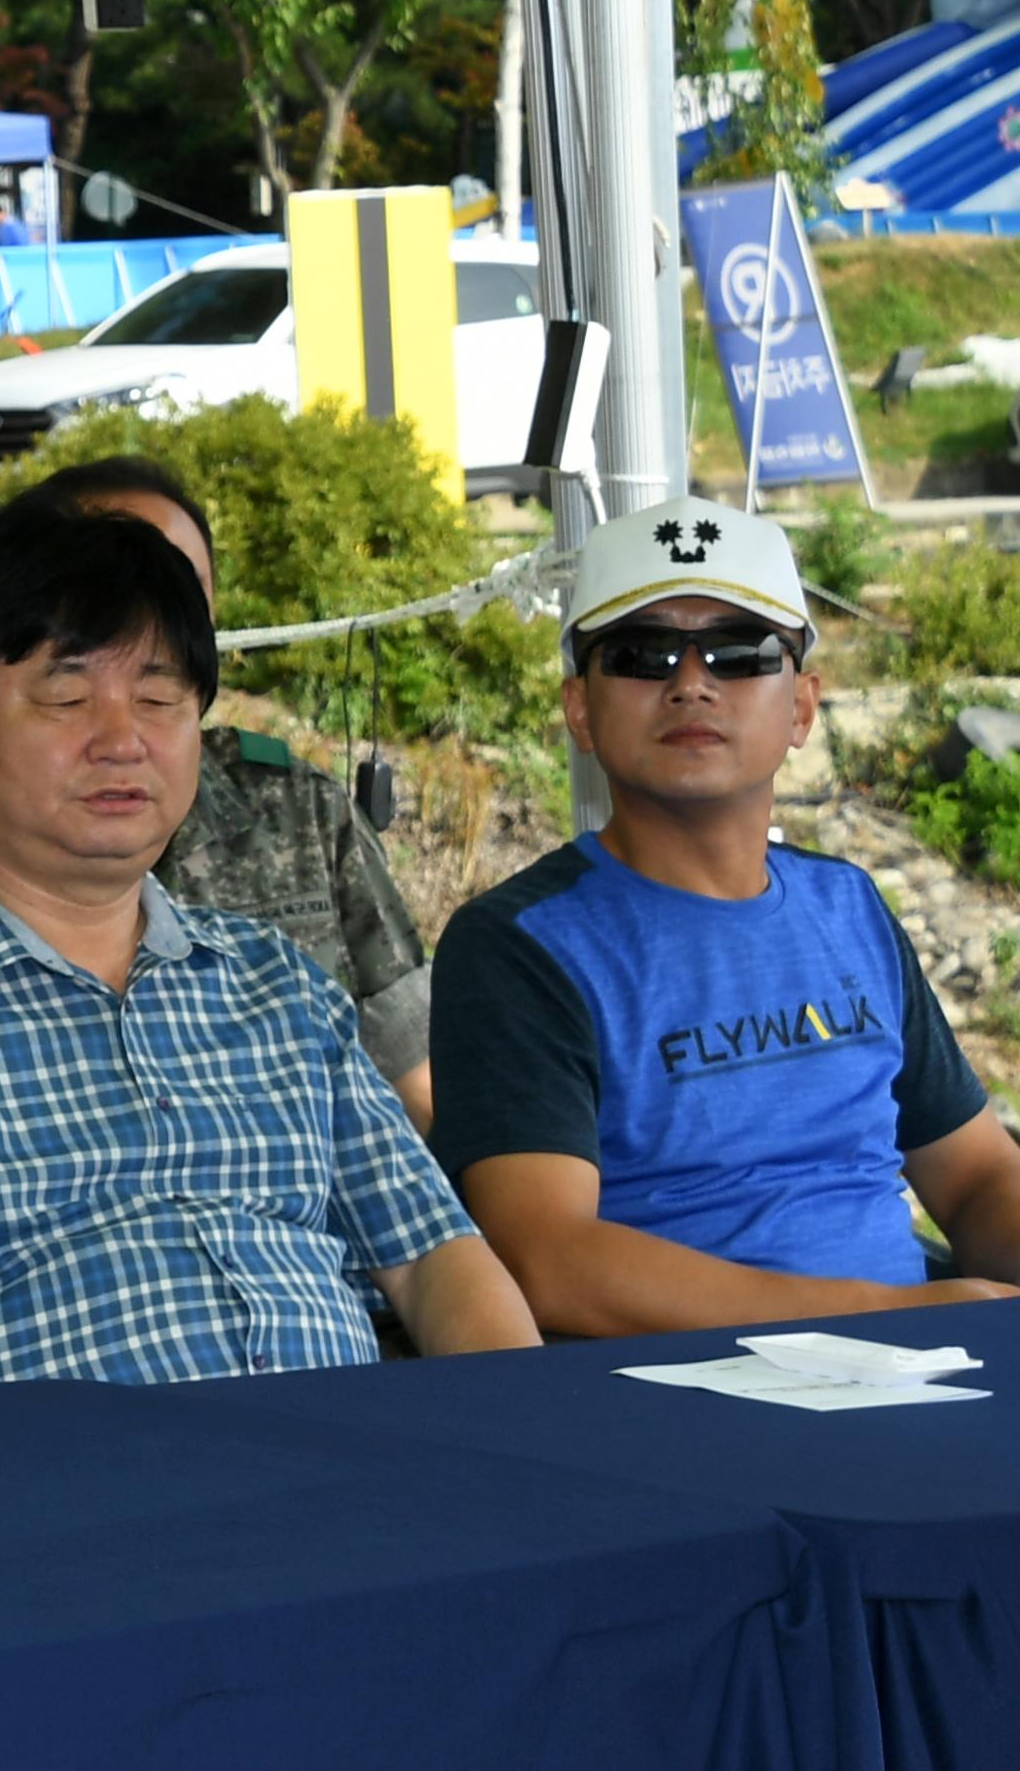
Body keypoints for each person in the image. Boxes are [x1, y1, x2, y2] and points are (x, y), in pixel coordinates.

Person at [0, 500, 535, 1399]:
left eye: (158, 700)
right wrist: (69, 1464)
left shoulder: (278, 988)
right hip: (61, 1500)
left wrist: (513, 1431)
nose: (122, 741)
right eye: (68, 699)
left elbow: (435, 1258)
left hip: (348, 1471)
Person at [430, 496, 1020, 1334]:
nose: (691, 682)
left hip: (927, 1357)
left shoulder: (846, 902)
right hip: (694, 1394)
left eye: (741, 653)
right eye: (642, 654)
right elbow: (547, 1260)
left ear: (804, 708)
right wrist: (890, 1315)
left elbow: (976, 1176)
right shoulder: (516, 946)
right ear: (579, 710)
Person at [0, 456, 434, 1122]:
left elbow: (416, 1072)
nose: (121, 739)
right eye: (70, 692)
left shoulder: (295, 823)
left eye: (178, 590)